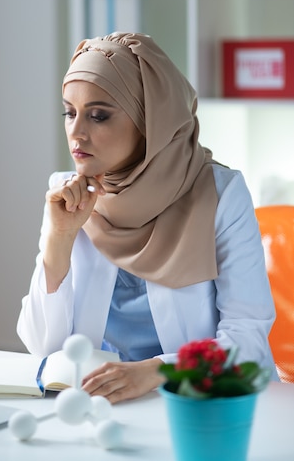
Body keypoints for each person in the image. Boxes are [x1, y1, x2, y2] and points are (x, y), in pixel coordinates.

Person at [17, 32, 278, 404]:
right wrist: (58, 240)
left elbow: (248, 341)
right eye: (69, 112)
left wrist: (158, 371)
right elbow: (42, 345)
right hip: (99, 405)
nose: (76, 132)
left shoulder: (220, 194)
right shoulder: (68, 194)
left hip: (196, 404)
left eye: (99, 115)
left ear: (149, 121)